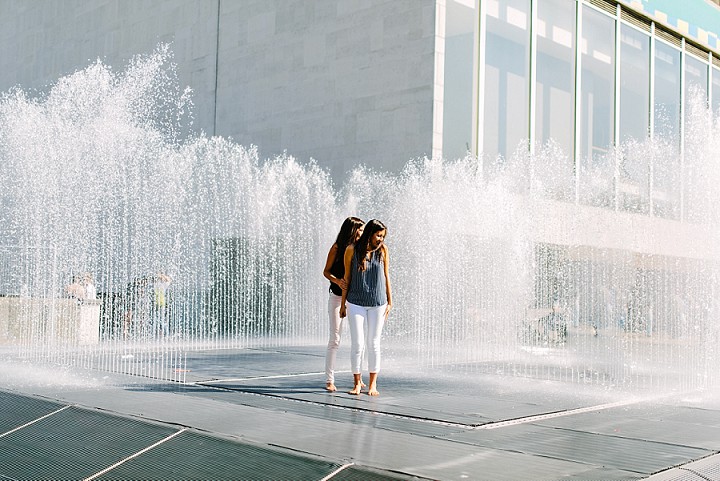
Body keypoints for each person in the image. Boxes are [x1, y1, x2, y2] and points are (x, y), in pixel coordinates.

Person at [340, 219, 392, 396]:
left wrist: (390, 302)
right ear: (370, 234)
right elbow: (346, 278)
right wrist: (342, 305)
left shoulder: (383, 251)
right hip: (355, 302)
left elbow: (386, 276)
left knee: (374, 343)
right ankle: (356, 384)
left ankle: (372, 385)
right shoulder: (351, 250)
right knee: (358, 344)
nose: (381, 239)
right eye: (378, 235)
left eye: (383, 236)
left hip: (378, 303)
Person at [322, 217, 365, 392]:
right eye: (359, 230)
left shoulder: (360, 249)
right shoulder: (337, 248)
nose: (361, 234)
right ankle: (329, 380)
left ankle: (359, 378)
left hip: (355, 298)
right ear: (351, 230)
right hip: (337, 296)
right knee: (335, 339)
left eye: (363, 231)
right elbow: (326, 271)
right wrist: (338, 281)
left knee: (359, 340)